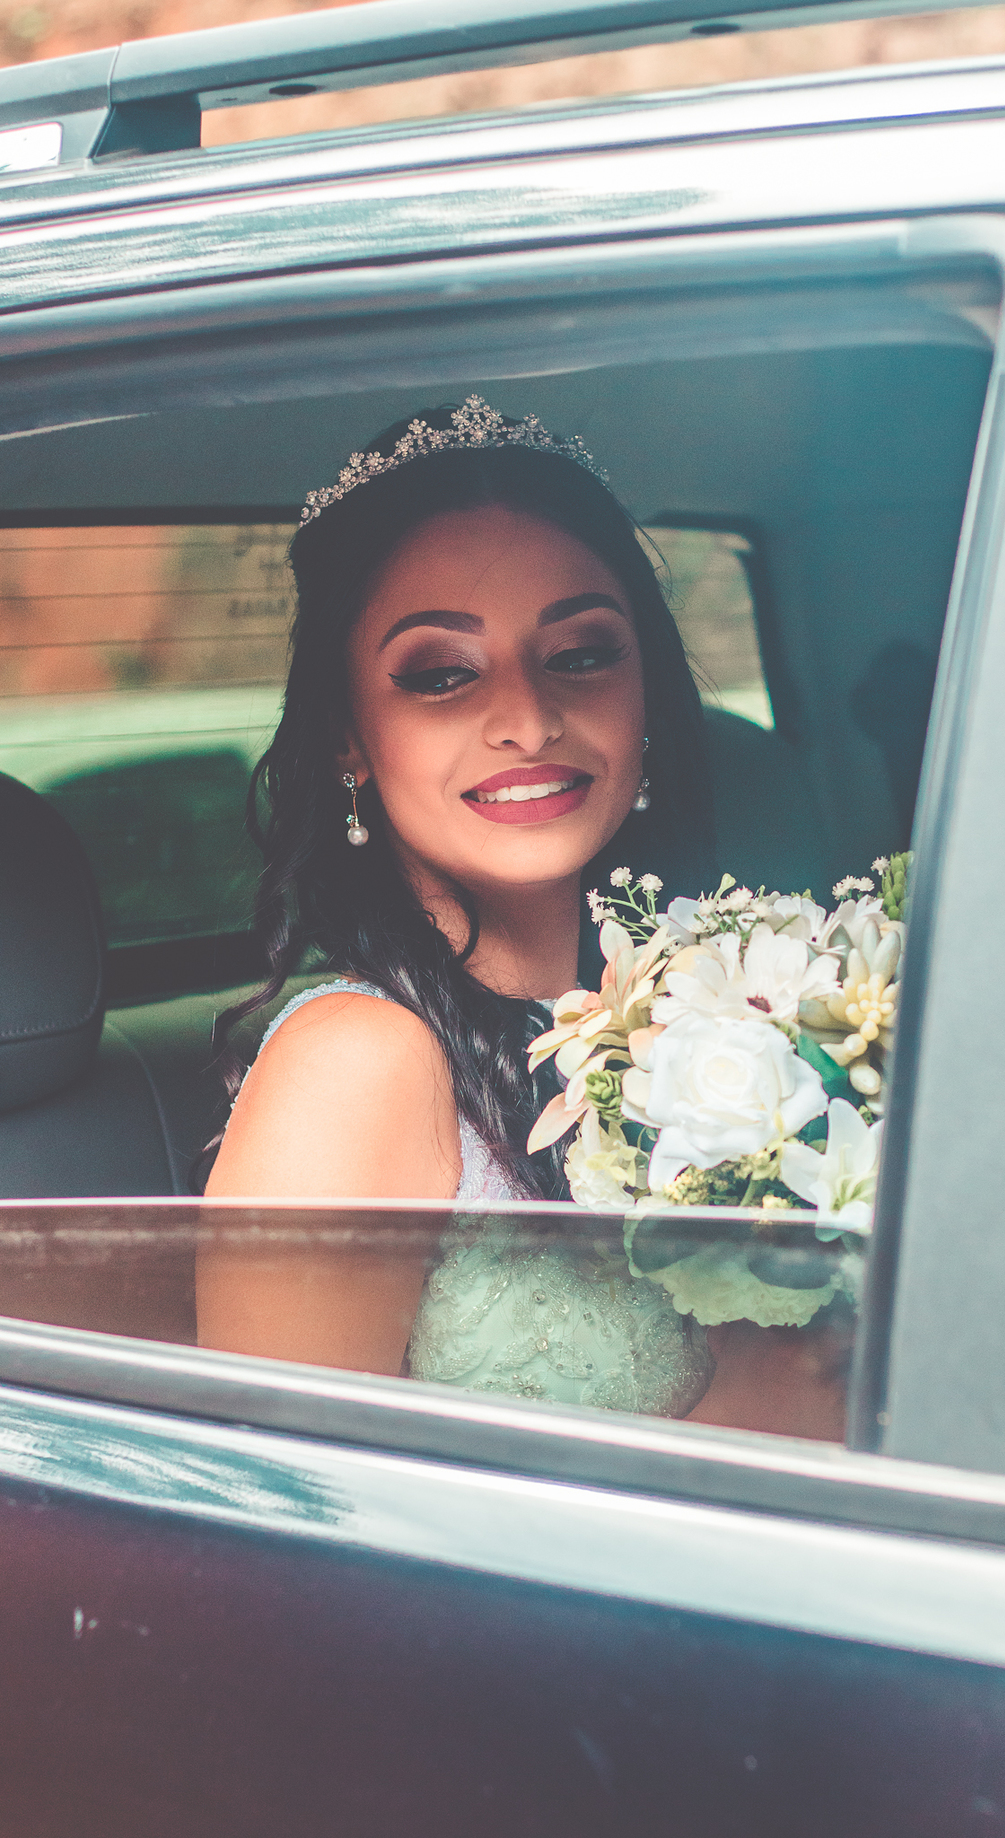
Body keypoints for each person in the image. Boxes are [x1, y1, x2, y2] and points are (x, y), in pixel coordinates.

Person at [198, 397, 720, 1416]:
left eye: (581, 654)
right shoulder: (355, 1062)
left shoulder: (707, 1013)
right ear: (348, 737)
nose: (527, 718)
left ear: (646, 694)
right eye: (442, 674)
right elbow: (283, 1505)